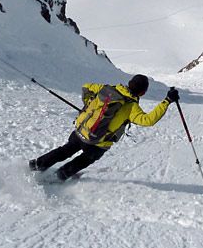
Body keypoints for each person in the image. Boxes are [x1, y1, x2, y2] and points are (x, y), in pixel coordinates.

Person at [29, 74, 180, 181]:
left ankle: (37, 164)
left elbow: (86, 87)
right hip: (97, 143)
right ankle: (61, 175)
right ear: (143, 92)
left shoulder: (106, 89)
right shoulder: (130, 106)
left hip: (80, 131)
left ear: (129, 82)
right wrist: (167, 101)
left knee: (65, 150)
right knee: (86, 159)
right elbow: (147, 120)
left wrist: (88, 105)